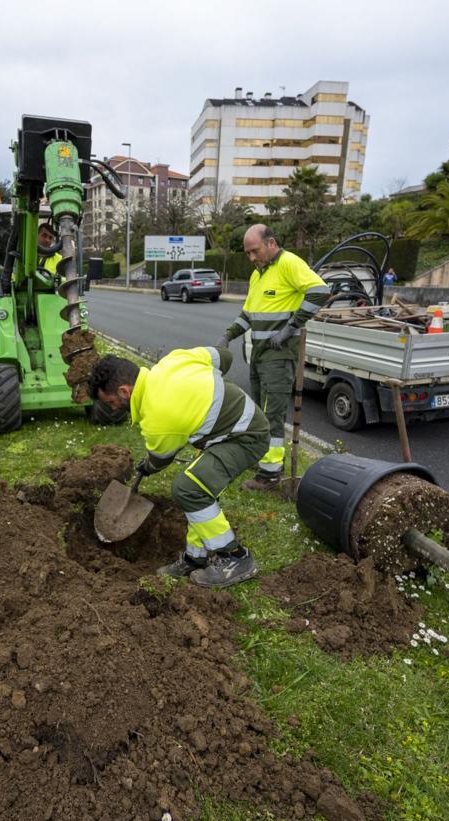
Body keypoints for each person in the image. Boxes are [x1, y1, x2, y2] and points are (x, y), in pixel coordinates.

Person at [89, 348, 269, 588]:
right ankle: (196, 558)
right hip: (229, 431)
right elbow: (223, 356)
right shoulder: (173, 361)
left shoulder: (156, 417)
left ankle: (235, 558)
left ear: (124, 391)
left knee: (188, 489)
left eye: (111, 402)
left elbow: (161, 458)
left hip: (245, 436)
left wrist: (148, 467)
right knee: (197, 484)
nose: (112, 409)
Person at [216, 224, 331, 492]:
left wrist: (291, 327)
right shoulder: (259, 275)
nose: (251, 258)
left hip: (279, 355)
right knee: (258, 409)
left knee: (272, 414)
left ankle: (270, 475)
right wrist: (228, 335)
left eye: (254, 251)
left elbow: (320, 291)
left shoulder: (289, 263)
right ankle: (262, 460)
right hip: (258, 353)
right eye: (247, 254)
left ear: (271, 243)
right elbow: (249, 314)